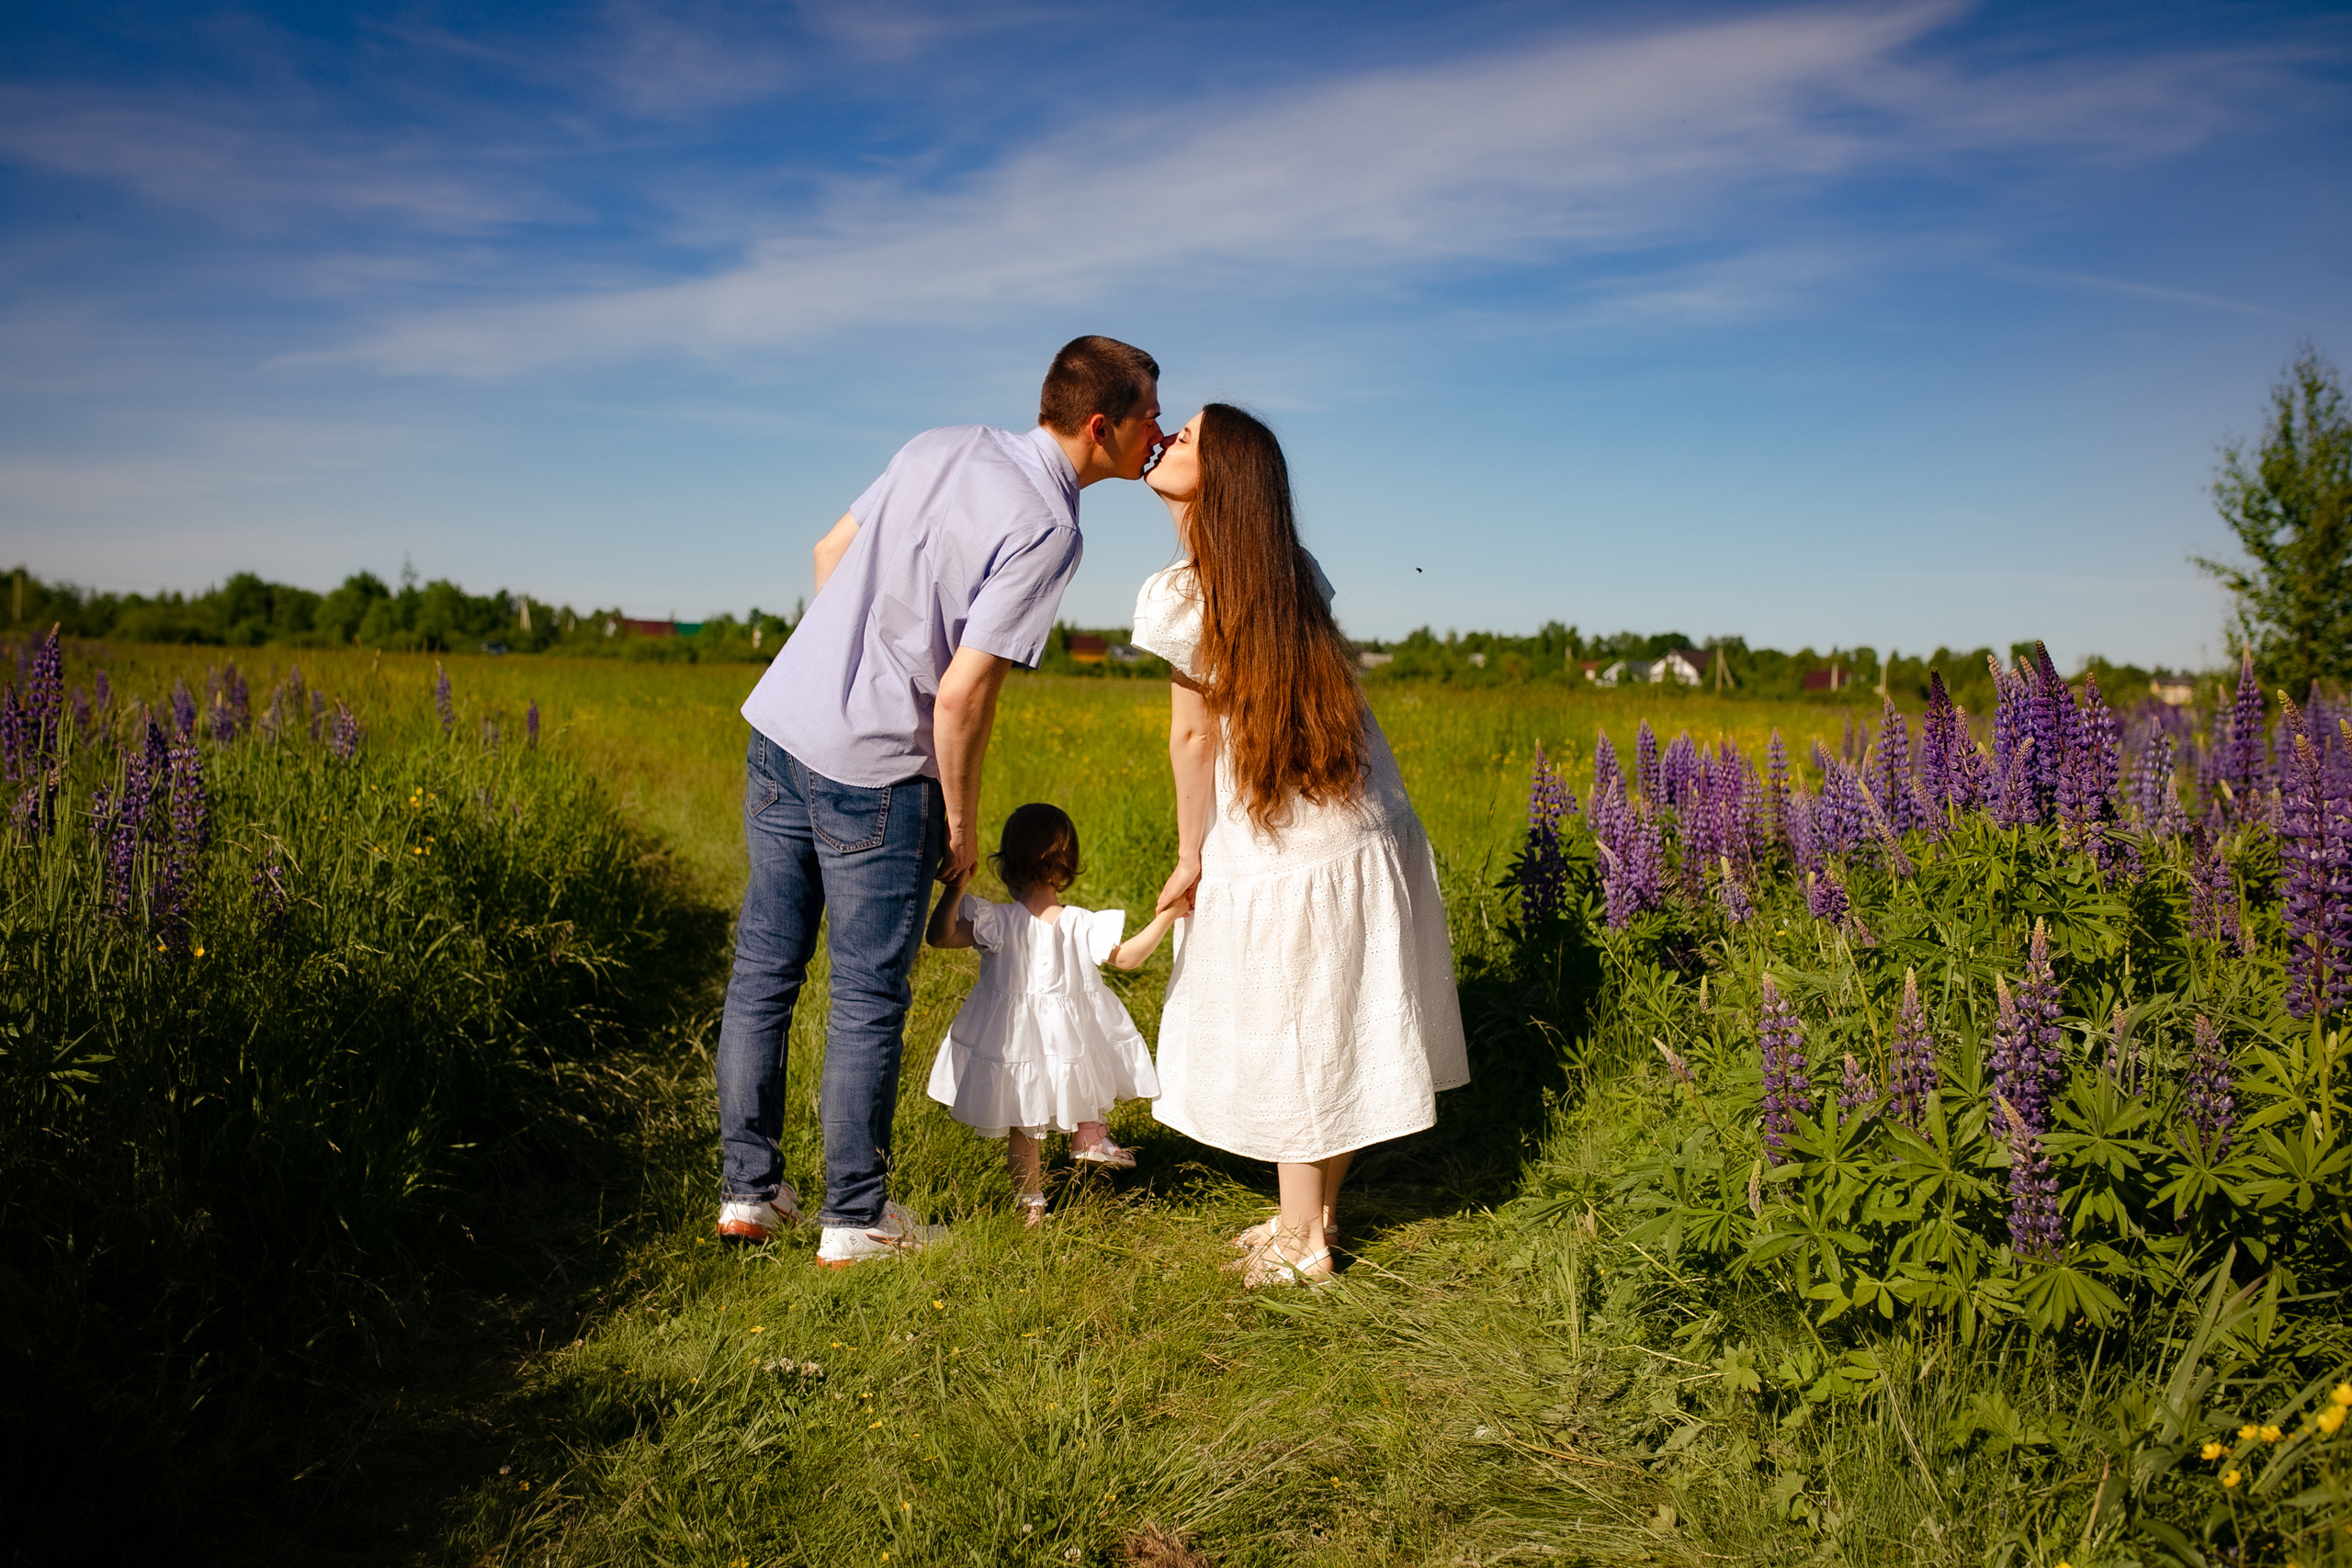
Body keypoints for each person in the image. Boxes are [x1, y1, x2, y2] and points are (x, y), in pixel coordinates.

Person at [714, 335, 1165, 1267]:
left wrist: (847, 669)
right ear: (1099, 425)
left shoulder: (941, 443)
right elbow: (961, 694)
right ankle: (857, 1214)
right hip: (877, 769)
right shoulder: (1052, 523)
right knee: (868, 995)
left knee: (765, 969)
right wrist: (958, 821)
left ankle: (749, 1192)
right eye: (1149, 415)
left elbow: (829, 549)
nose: (1157, 432)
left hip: (781, 729)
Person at [1130, 403, 1468, 1287]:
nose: (1170, 440)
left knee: (1294, 1026)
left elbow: (1194, 739)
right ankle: (1309, 1216)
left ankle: (1302, 1243)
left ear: (1222, 478)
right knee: (1344, 1017)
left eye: (1192, 438)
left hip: (1292, 841)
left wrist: (1189, 852)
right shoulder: (1292, 569)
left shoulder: (1180, 591)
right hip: (1367, 817)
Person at [922, 803, 1181, 1225]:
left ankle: (1032, 1206)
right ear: (1068, 867)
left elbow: (940, 936)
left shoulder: (998, 921)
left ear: (1005, 865)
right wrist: (1167, 915)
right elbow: (1130, 958)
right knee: (1079, 1075)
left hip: (1015, 1042)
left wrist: (956, 888)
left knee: (1024, 1124)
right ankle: (1090, 1135)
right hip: (1069, 1039)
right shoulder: (1081, 923)